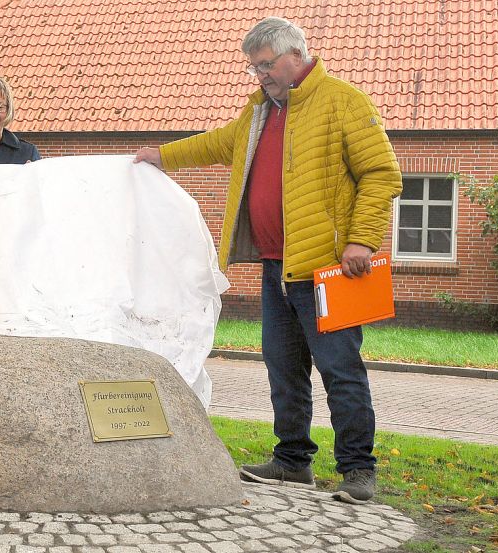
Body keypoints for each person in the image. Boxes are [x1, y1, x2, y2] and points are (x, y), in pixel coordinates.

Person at [134, 17, 401, 504]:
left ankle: (358, 471)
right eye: (254, 66)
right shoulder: (260, 111)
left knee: (340, 369)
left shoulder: (344, 101)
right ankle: (292, 461)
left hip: (330, 269)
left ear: (295, 55)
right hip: (277, 266)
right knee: (283, 367)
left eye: (266, 64)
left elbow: (381, 175)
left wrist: (362, 239)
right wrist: (160, 155)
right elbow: (217, 143)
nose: (260, 74)